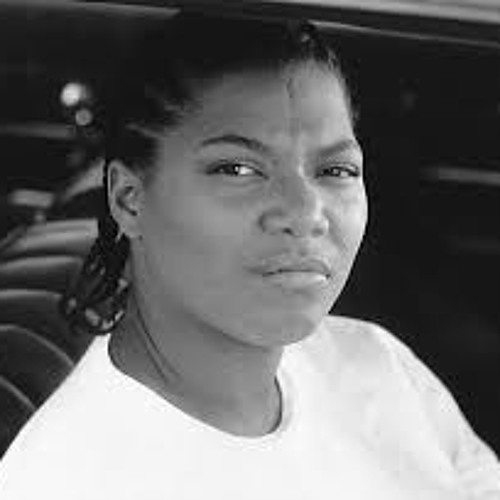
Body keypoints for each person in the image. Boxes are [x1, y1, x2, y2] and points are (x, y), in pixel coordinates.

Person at [0, 11, 499, 500]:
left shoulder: (377, 365)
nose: (307, 213)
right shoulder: (63, 478)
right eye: (237, 169)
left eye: (336, 171)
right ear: (129, 200)